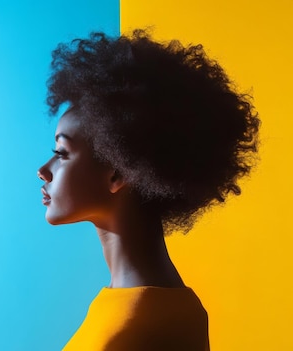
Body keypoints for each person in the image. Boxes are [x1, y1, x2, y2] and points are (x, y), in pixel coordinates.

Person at [37, 30, 260, 351]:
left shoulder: (133, 330)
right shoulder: (145, 304)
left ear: (119, 172)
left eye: (62, 154)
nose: (43, 170)